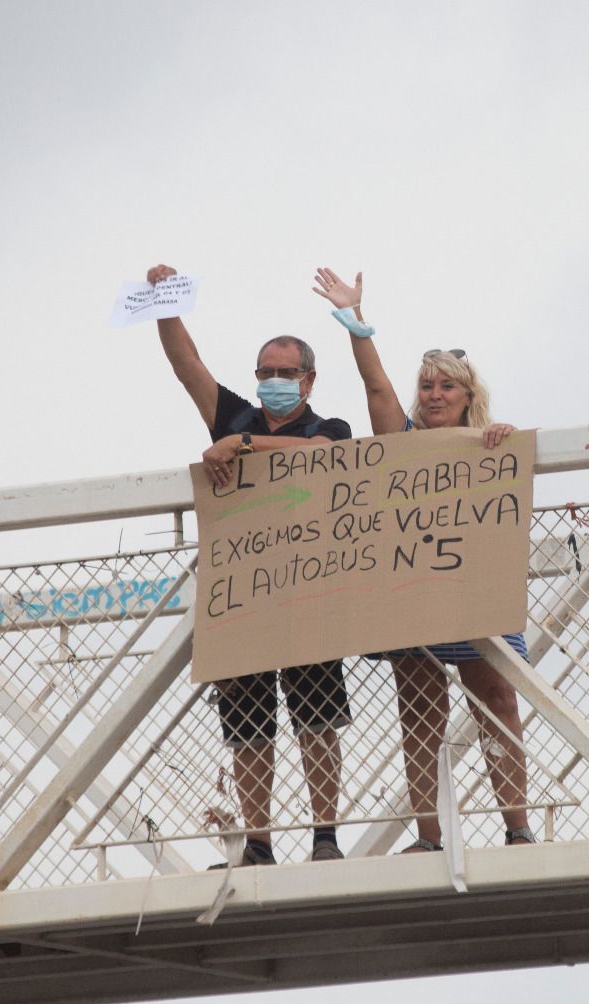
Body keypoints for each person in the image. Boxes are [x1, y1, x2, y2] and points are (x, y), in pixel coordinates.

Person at [311, 266, 536, 854]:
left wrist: (503, 440)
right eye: (428, 385)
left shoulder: (489, 444)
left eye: (447, 387)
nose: (435, 395)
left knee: (498, 702)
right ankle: (430, 839)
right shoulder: (403, 436)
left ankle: (517, 828)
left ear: (468, 396)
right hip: (413, 594)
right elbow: (378, 392)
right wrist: (355, 323)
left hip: (472, 595)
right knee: (420, 717)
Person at [148, 262, 351, 867]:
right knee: (247, 722)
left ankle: (325, 837)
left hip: (308, 592)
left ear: (309, 380)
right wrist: (166, 305)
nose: (274, 381)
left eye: (286, 373)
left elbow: (317, 455)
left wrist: (235, 446)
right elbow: (188, 367)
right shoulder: (234, 414)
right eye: (265, 372)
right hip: (243, 597)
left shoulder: (329, 425)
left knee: (316, 718)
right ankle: (258, 843)